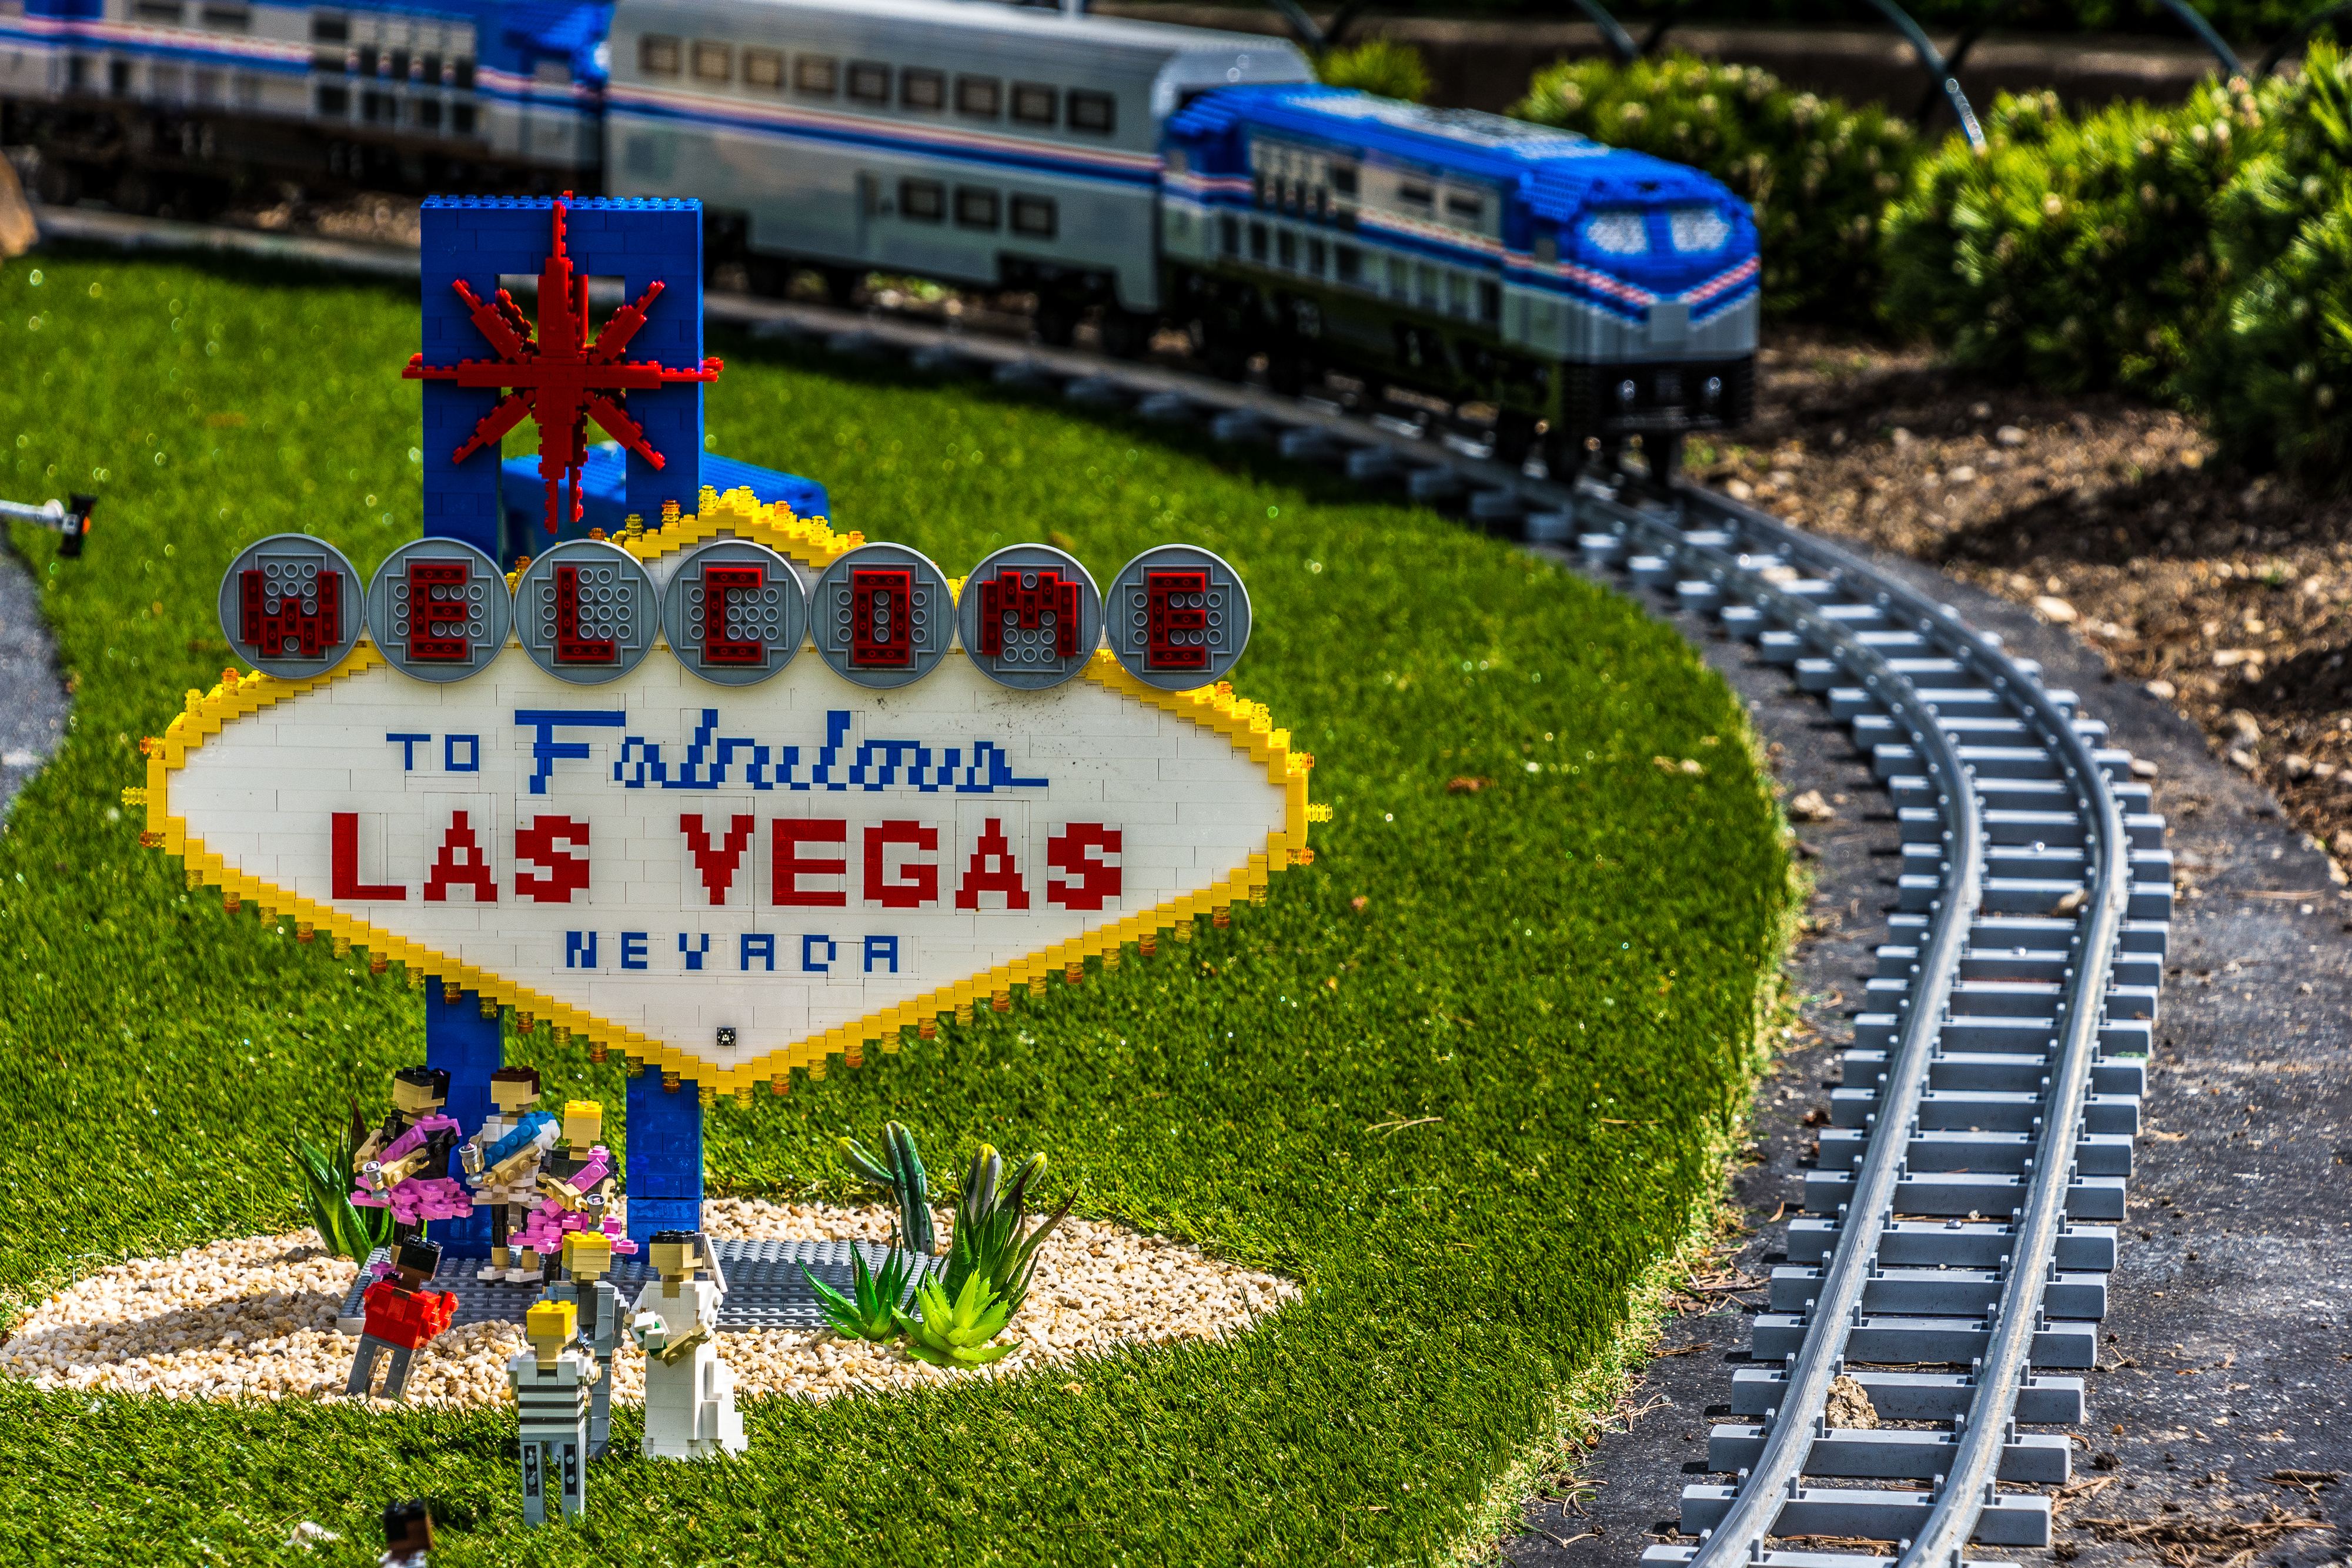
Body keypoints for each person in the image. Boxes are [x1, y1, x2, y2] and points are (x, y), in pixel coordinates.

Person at [628, 1230, 746, 1460]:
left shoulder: (705, 1291)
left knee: (696, 1402)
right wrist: (648, 1342)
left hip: (688, 1360)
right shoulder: (651, 1290)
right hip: (659, 1361)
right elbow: (632, 1319)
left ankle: (701, 1448)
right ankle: (658, 1443)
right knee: (660, 1402)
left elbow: (703, 1330)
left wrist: (673, 1351)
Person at [462, 1065, 559, 1283]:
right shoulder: (494, 1121)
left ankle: (529, 1266)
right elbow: (481, 1143)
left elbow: (543, 1153)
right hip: (498, 1184)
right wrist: (474, 1152)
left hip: (528, 1185)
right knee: (498, 1221)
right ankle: (500, 1264)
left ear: (531, 1093)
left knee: (529, 1225)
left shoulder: (543, 1125)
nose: (508, 1099)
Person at [352, 1066, 467, 1244]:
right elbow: (381, 1137)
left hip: (423, 1185)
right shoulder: (398, 1121)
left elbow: (429, 1153)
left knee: (414, 1226)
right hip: (400, 1184)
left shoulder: (441, 1129)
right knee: (401, 1221)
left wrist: (397, 1168)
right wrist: (366, 1153)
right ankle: (398, 1262)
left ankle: (409, 1265)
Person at [509, 1298, 598, 1524]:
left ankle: (535, 1518)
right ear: (567, 1333)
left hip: (532, 1422)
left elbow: (515, 1392)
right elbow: (592, 1376)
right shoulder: (575, 1363)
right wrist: (592, 1362)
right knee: (571, 1471)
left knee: (532, 1475)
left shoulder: (522, 1363)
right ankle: (572, 1516)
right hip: (566, 1422)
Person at [345, 1239, 457, 1401]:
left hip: (376, 1331)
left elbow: (369, 1304)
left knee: (366, 1361)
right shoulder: (426, 1302)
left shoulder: (383, 1288)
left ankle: (356, 1391)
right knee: (397, 1373)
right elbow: (430, 1327)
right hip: (403, 1340)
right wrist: (445, 1310)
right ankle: (391, 1398)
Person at [546, 1230, 619, 1458]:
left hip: (600, 1354)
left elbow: (620, 1319)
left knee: (600, 1407)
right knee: (564, 1403)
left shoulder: (608, 1292)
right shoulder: (558, 1291)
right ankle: (559, 1452)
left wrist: (611, 1341)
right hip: (567, 1356)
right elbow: (545, 1317)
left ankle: (597, 1450)